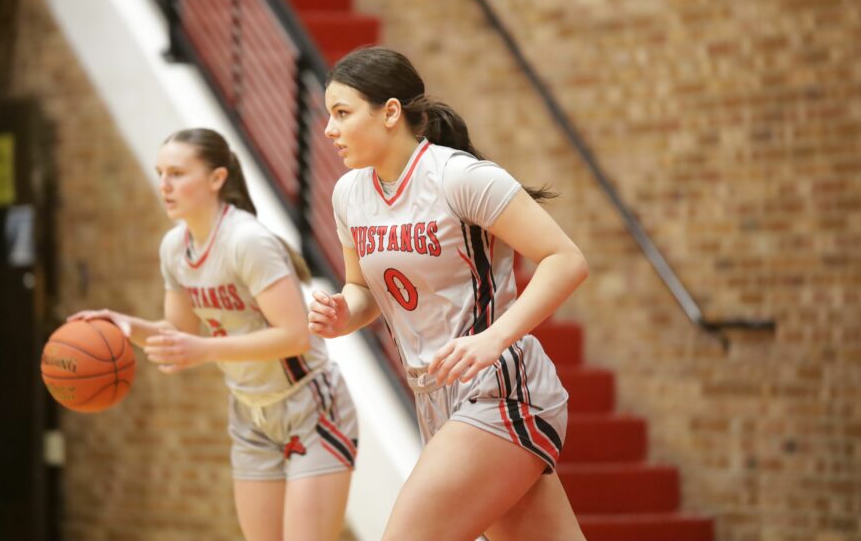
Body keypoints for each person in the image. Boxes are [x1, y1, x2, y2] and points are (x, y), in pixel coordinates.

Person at [309, 47, 588, 541]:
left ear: (390, 112)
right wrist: (342, 313)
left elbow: (565, 260)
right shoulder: (348, 194)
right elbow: (362, 289)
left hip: (500, 389)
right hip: (435, 396)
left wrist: (493, 338)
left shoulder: (458, 176)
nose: (329, 129)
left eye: (342, 113)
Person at [71, 128, 356, 541]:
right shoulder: (174, 248)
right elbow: (179, 333)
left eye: (177, 173)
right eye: (160, 173)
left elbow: (294, 336)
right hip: (250, 411)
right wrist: (126, 326)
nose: (164, 185)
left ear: (216, 178)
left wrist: (204, 349)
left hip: (310, 403)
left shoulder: (246, 241)